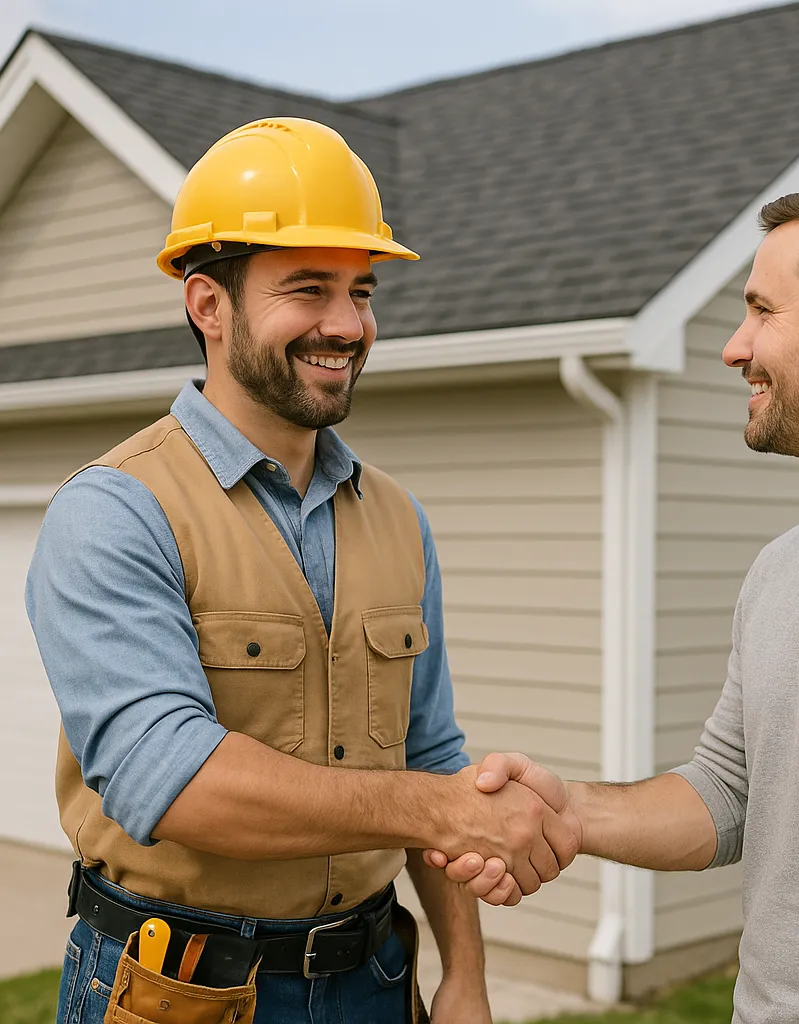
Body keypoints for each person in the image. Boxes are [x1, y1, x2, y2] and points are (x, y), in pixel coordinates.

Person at [27, 117, 577, 1024]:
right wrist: (440, 811)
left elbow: (432, 756)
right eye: (308, 289)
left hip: (373, 981)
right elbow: (174, 779)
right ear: (209, 304)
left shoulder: (399, 518)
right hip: (178, 992)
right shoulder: (116, 512)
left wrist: (466, 979)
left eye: (361, 291)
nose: (348, 324)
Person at [430, 184, 799, 1024]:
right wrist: (567, 809)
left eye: (761, 310)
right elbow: (728, 793)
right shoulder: (780, 570)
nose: (735, 348)